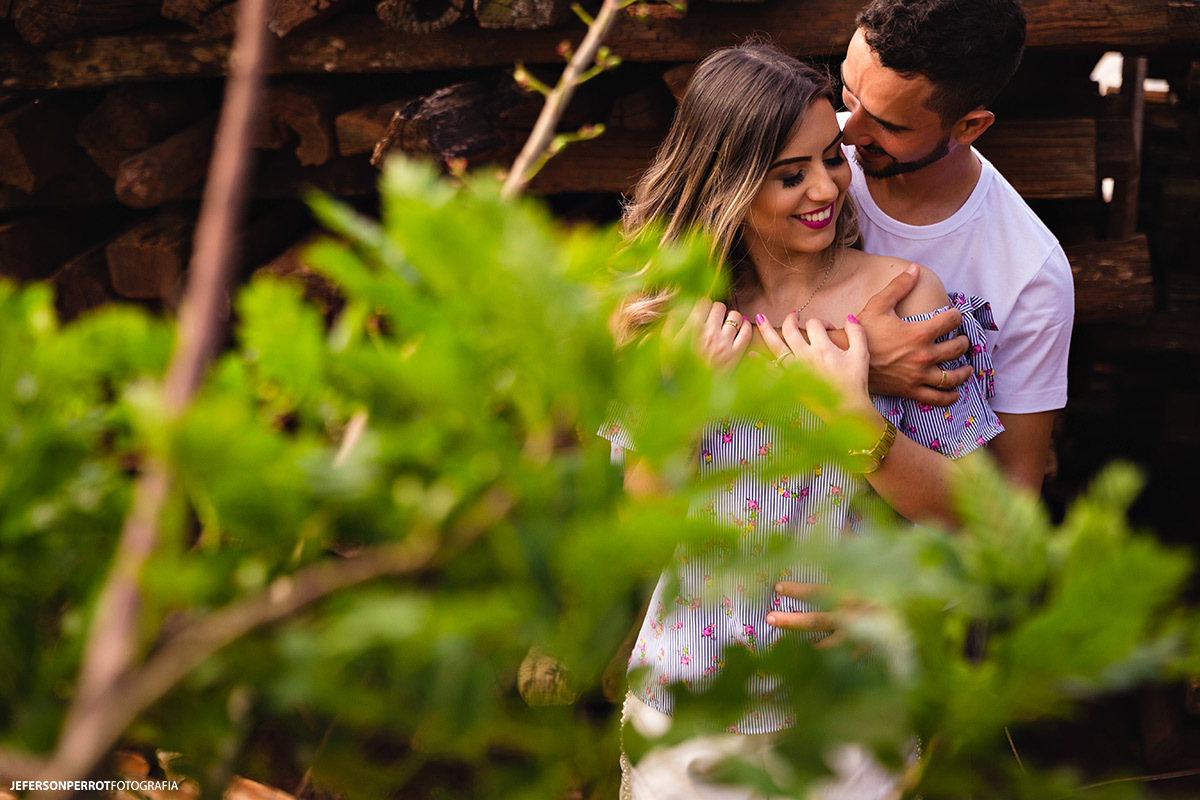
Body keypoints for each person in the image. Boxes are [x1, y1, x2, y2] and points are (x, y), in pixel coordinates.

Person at [603, 42, 1002, 799]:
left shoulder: (904, 303)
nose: (826, 188)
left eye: (832, 159)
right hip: (686, 721)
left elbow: (978, 511)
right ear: (728, 181)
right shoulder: (664, 321)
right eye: (791, 174)